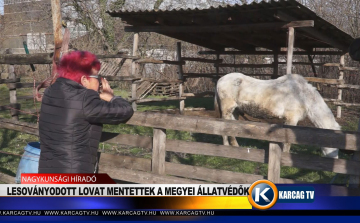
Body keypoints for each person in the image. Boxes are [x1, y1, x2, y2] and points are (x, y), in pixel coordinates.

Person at [38, 51, 134, 173]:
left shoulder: (50, 91)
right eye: (97, 77)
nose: (100, 82)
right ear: (84, 80)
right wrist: (112, 97)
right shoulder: (85, 99)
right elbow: (125, 111)